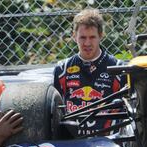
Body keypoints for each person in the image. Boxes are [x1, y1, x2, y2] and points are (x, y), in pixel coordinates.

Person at [53, 8, 125, 136]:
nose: (87, 43)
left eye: (92, 37)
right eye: (83, 37)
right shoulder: (62, 70)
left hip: (110, 144)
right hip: (73, 144)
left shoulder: (118, 69)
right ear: (74, 36)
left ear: (101, 35)